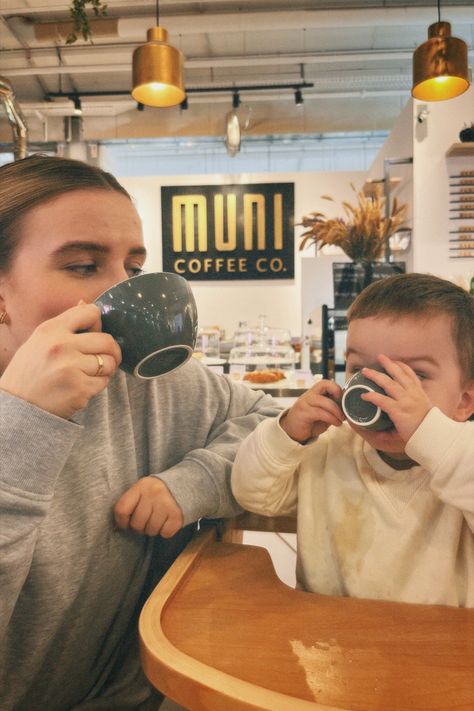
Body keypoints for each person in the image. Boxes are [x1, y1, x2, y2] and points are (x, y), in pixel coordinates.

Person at [0, 154, 281, 711]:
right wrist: (26, 421)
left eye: (132, 267)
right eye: (83, 266)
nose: (118, 291)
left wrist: (194, 481)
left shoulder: (145, 383)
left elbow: (276, 423)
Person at [232, 273, 474, 607]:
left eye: (413, 375)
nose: (379, 394)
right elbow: (253, 494)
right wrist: (286, 433)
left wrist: (429, 433)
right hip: (327, 643)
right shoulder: (330, 448)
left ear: (465, 401)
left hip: (439, 650)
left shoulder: (463, 461)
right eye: (362, 369)